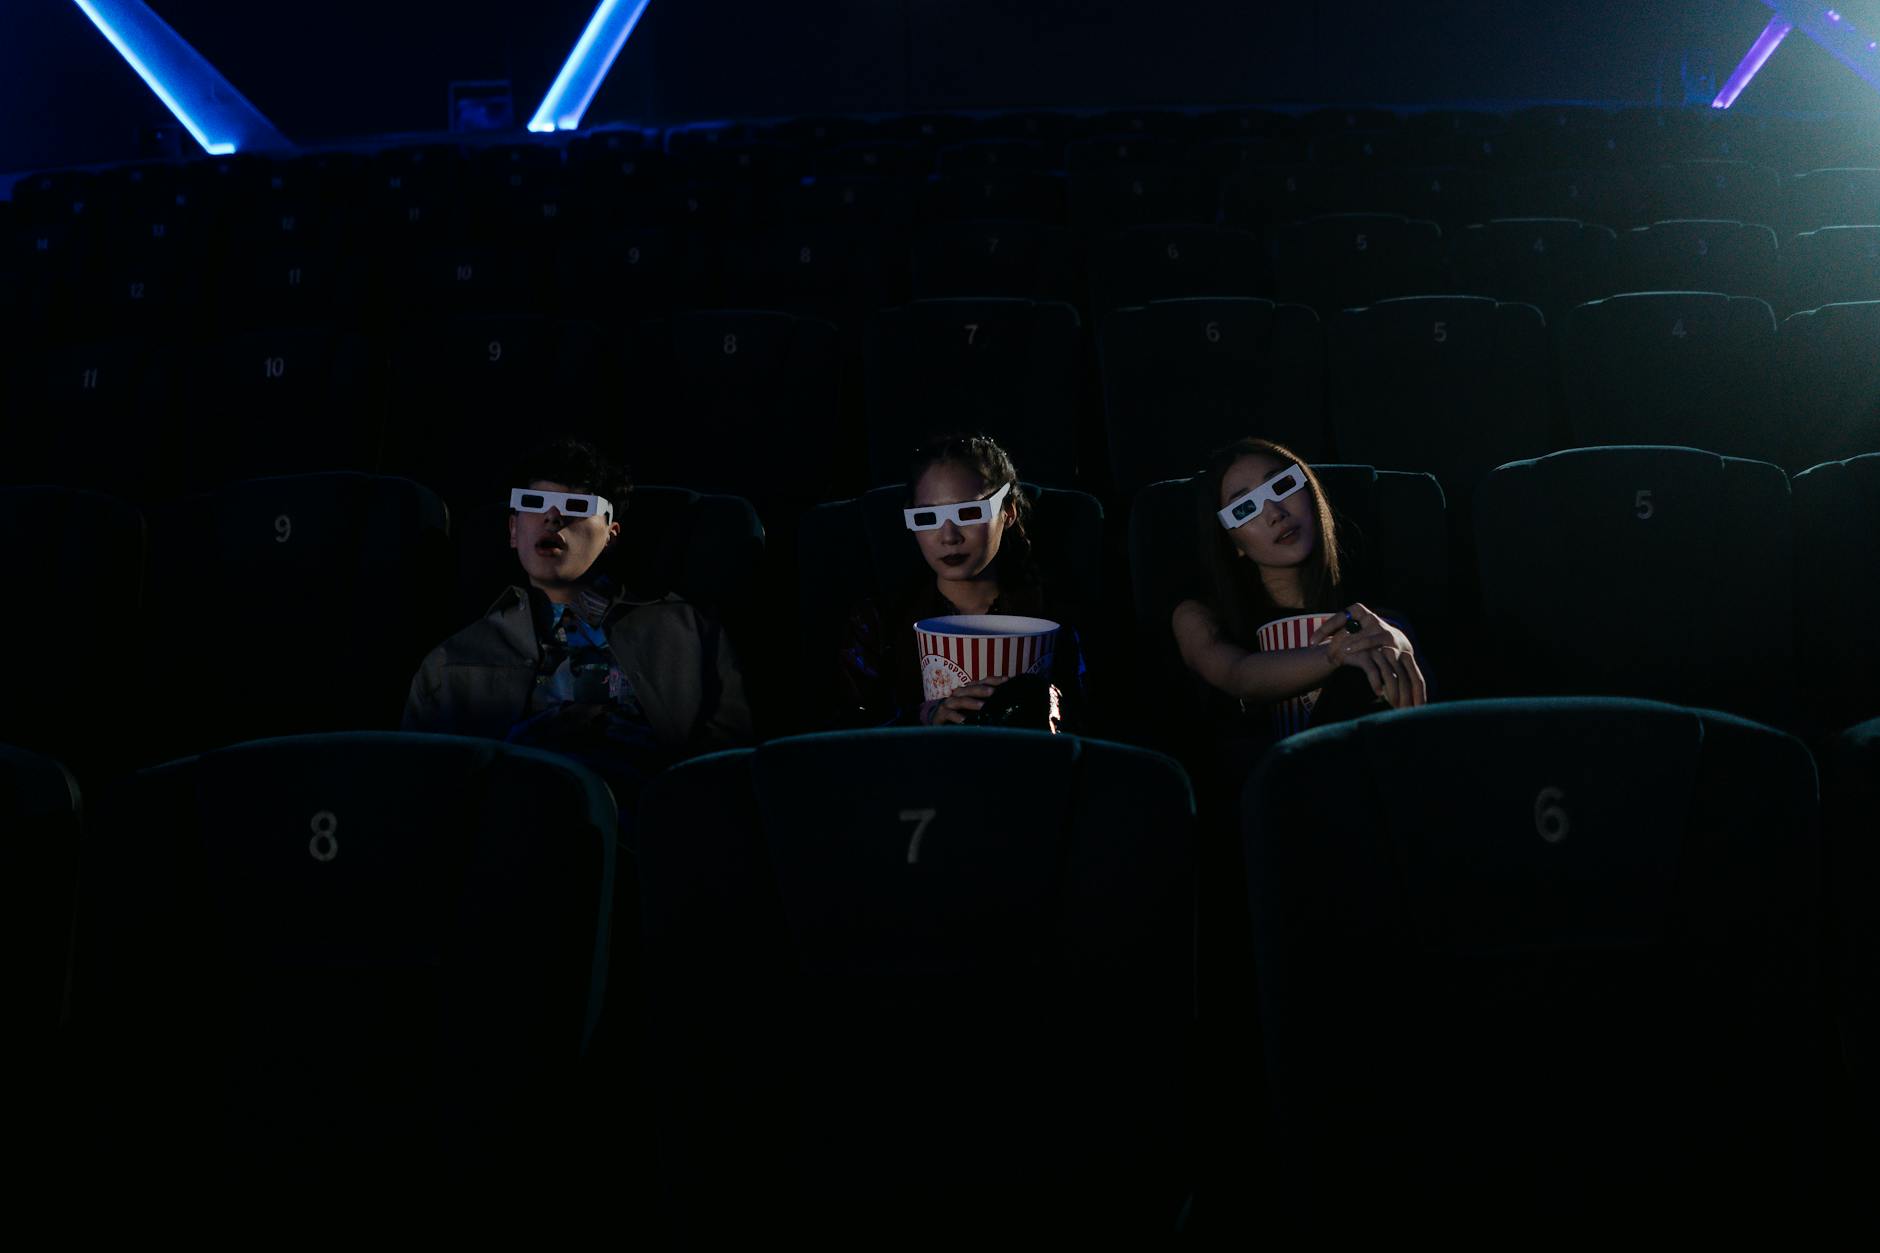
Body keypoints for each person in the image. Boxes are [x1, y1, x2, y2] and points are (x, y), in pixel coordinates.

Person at [403, 438, 752, 824]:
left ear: (610, 535)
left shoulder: (690, 635)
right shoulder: (451, 662)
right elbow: (422, 798)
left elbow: (728, 770)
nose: (553, 518)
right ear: (513, 530)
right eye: (535, 503)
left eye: (577, 507)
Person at [1171, 436, 1427, 745]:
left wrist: (1399, 640)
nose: (1274, 512)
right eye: (1245, 508)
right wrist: (1337, 654)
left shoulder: (1374, 606)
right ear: (1231, 541)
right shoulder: (1200, 617)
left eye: (1282, 486)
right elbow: (1240, 675)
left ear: (1310, 494)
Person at [835, 432, 1086, 730]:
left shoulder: (1057, 615)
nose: (949, 536)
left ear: (1007, 513)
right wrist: (922, 718)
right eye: (928, 517)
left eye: (969, 513)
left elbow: (1091, 722)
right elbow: (846, 734)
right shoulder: (877, 622)